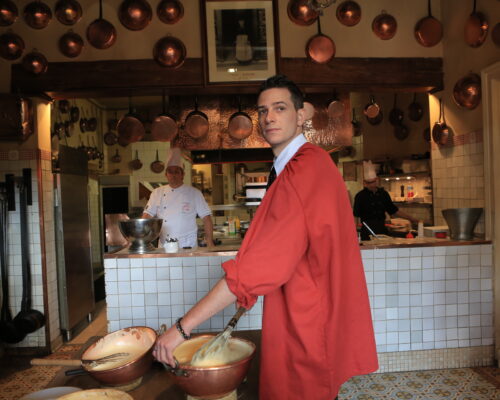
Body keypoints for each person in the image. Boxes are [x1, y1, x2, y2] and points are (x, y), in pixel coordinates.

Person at [153, 75, 378, 399]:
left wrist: (180, 330)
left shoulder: (302, 173)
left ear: (302, 115)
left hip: (305, 328)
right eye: (263, 110)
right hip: (315, 319)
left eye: (280, 107)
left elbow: (250, 273)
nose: (269, 117)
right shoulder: (312, 164)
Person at [141, 147, 214, 248]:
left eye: (177, 171)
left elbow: (206, 218)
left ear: (182, 175)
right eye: (170, 172)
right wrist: (141, 239)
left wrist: (210, 242)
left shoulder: (194, 193)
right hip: (165, 246)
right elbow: (147, 216)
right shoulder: (157, 193)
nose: (173, 175)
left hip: (187, 246)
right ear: (166, 175)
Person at [353, 160, 419, 240]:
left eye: (373, 182)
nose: (371, 185)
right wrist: (353, 232)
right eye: (368, 183)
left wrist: (412, 219)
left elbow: (393, 210)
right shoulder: (360, 196)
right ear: (365, 183)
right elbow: (355, 215)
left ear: (377, 180)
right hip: (367, 230)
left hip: (382, 230)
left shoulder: (383, 194)